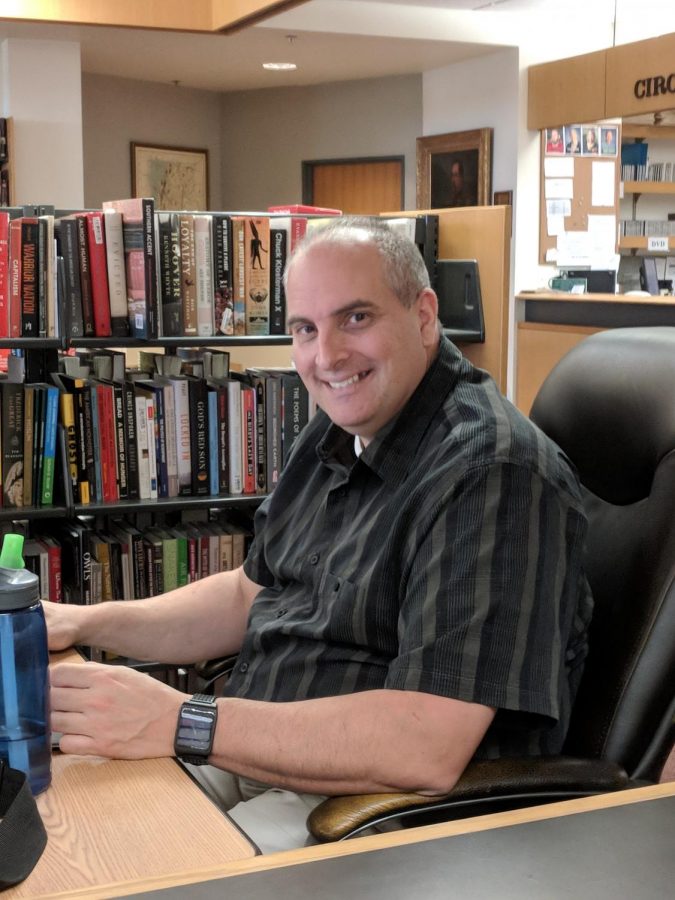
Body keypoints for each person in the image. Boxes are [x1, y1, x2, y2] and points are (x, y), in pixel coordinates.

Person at [46, 218, 593, 854]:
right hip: (255, 750)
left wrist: (180, 719)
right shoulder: (343, 423)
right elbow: (246, 596)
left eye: (355, 318)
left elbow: (425, 745)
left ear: (423, 316)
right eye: (306, 329)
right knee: (69, 822)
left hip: (372, 809)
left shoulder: (492, 472)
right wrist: (84, 623)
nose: (326, 356)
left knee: (136, 871)